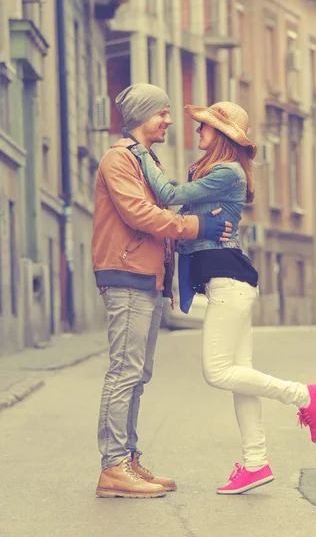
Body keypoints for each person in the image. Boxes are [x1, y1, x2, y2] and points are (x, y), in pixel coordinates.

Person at [130, 101, 316, 495]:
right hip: (228, 282)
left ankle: (302, 394)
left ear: (221, 135)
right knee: (241, 379)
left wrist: (138, 151)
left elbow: (166, 194)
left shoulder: (226, 171)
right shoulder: (210, 172)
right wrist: (207, 226)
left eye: (204, 126)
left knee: (217, 372)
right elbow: (184, 223)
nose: (197, 130)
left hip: (229, 281)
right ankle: (256, 463)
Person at [92, 84, 233, 499]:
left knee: (138, 373)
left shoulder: (143, 159)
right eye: (163, 113)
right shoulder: (119, 159)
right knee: (124, 372)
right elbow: (141, 215)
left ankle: (128, 458)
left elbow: (159, 213)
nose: (170, 121)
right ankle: (113, 466)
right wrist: (197, 226)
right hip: (126, 274)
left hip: (146, 276)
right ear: (142, 116)